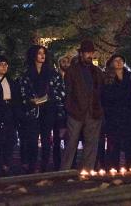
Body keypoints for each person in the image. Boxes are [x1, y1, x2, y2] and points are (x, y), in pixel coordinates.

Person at [18, 45, 66, 173]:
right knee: (32, 140)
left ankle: (44, 166)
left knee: (46, 140)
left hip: (49, 111)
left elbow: (61, 92)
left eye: (44, 53)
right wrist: (30, 100)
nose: (42, 55)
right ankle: (32, 165)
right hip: (33, 111)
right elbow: (22, 92)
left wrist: (48, 98)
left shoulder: (52, 74)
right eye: (39, 53)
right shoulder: (26, 74)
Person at [60, 40, 104, 171]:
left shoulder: (96, 71)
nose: (90, 55)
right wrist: (70, 109)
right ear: (81, 54)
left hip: (93, 110)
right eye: (87, 53)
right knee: (71, 143)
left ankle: (87, 170)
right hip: (76, 111)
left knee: (91, 143)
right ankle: (65, 170)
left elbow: (101, 89)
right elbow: (68, 92)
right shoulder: (72, 71)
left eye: (91, 53)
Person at [102, 54, 131, 170]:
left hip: (129, 114)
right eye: (116, 60)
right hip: (113, 115)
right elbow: (104, 96)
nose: (118, 62)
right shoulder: (107, 77)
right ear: (111, 63)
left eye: (121, 60)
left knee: (128, 141)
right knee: (114, 142)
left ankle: (130, 164)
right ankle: (114, 166)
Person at [53, 55, 71, 171]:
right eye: (63, 62)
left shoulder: (72, 77)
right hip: (57, 112)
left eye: (67, 62)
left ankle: (68, 162)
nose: (65, 64)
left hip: (69, 111)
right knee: (56, 139)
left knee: (69, 139)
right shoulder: (55, 77)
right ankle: (56, 163)